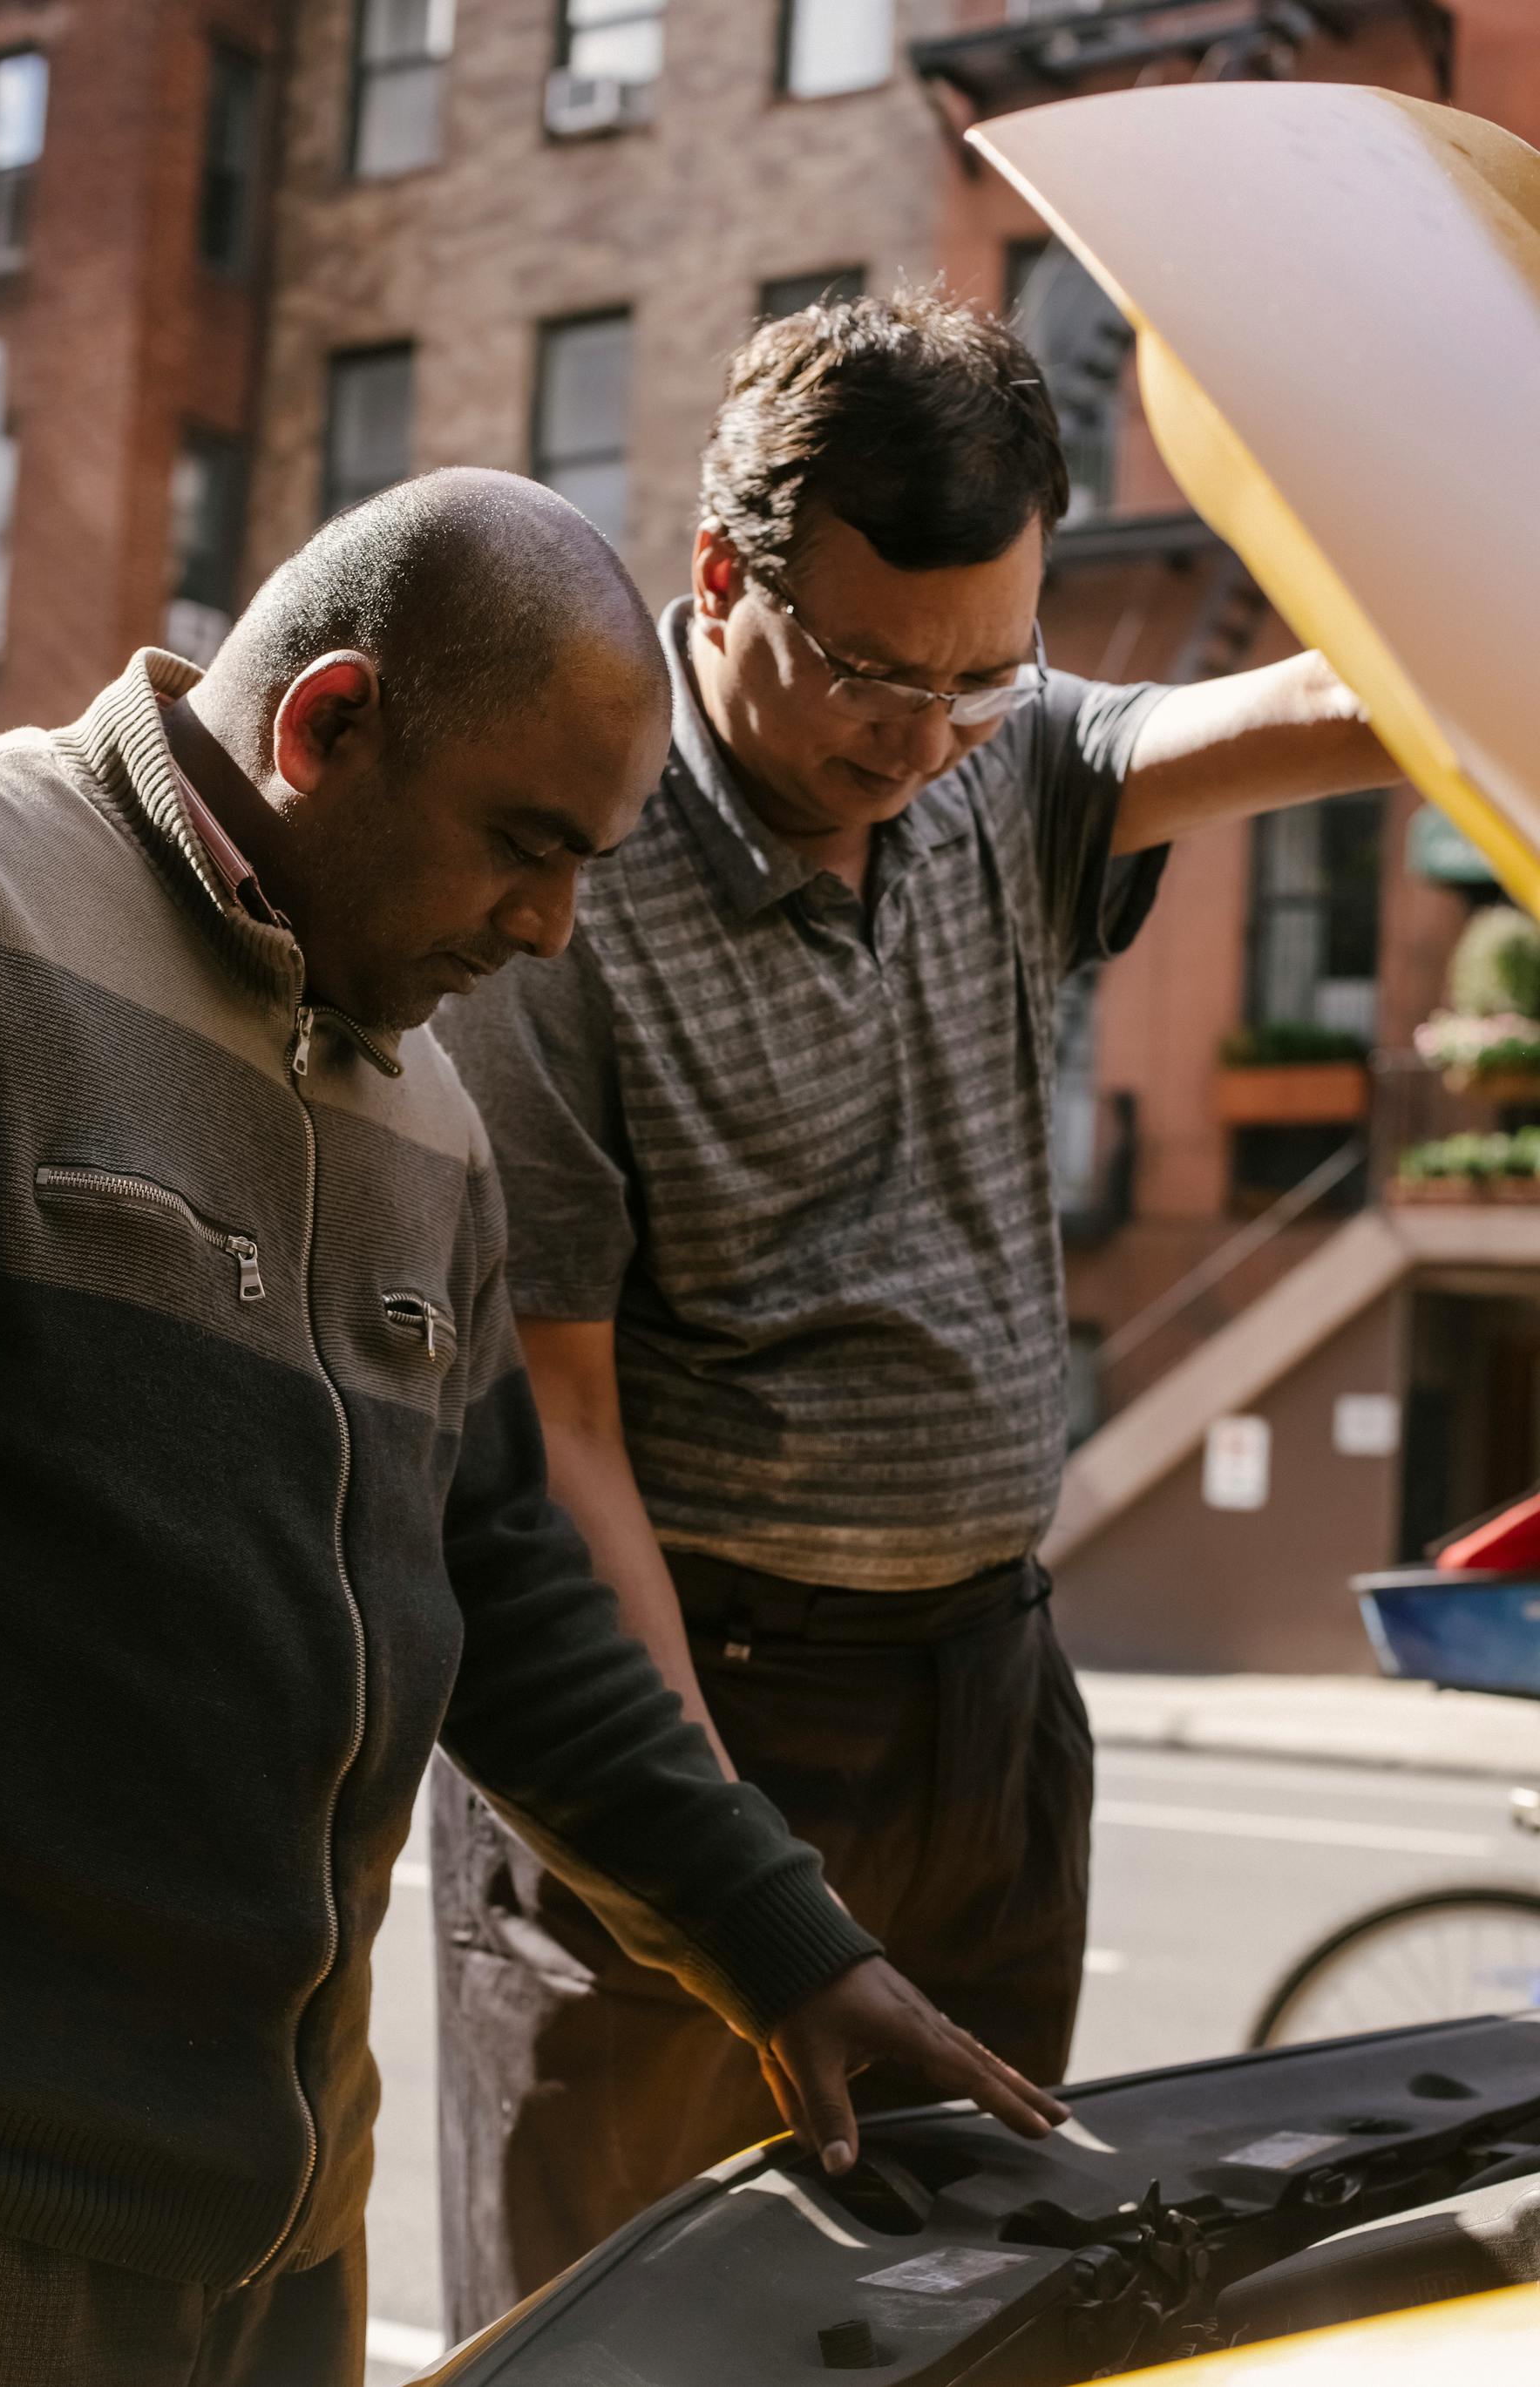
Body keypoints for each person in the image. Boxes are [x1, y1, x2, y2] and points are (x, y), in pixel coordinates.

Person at [0, 467, 1069, 2387]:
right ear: (327, 723)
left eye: (591, 859)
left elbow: (500, 1587)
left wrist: (785, 1941)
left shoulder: (430, 1117)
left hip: (275, 2257)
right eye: (524, 844)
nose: (553, 928)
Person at [431, 292, 1399, 2330]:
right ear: (722, 578)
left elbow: (1361, 706)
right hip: (704, 1697)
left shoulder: (994, 765)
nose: (924, 736)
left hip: (989, 1696)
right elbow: (561, 1431)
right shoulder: (562, 885)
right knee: (642, 2338)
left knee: (979, 2325)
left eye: (987, 672)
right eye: (874, 672)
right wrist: (729, 1893)